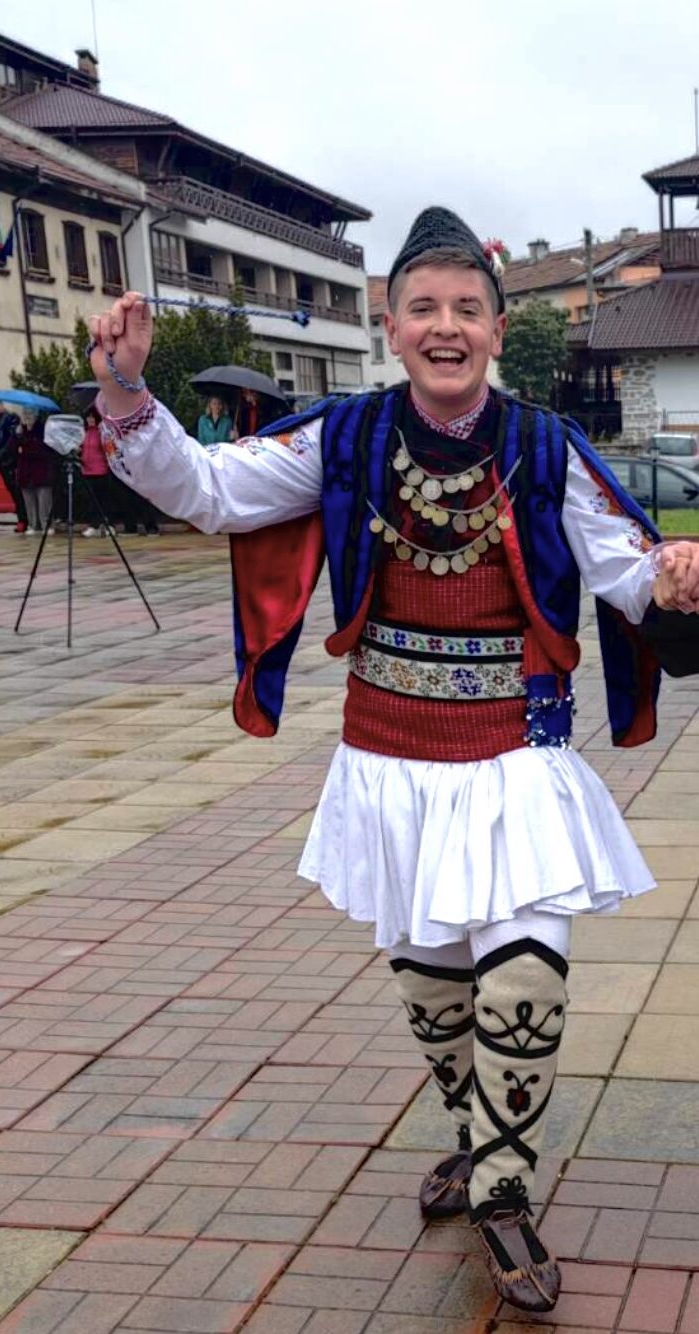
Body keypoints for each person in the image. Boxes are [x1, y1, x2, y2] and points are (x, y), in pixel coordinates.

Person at [87, 207, 699, 1316]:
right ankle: (474, 1132)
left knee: (525, 972)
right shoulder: (346, 437)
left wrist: (669, 577)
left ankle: (504, 1188)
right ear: (392, 326)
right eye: (424, 307)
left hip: (516, 757)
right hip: (389, 759)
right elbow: (212, 490)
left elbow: (625, 568)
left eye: (468, 307)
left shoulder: (544, 447)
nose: (446, 325)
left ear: (498, 328)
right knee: (434, 986)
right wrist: (127, 393)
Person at [0, 398, 26, 532]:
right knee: (12, 489)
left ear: (1, 404)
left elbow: (11, 440)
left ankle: (23, 519)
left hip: (10, 460)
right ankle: (22, 518)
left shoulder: (11, 418)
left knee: (16, 490)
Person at [16, 409, 54, 534]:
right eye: (25, 414)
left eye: (30, 414)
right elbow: (13, 448)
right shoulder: (20, 432)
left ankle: (47, 526)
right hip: (25, 472)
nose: (27, 417)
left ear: (36, 416)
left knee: (44, 501)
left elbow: (43, 450)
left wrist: (25, 449)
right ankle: (33, 525)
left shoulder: (42, 431)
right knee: (29, 501)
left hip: (41, 472)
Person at [79, 407, 111, 537]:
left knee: (101, 501)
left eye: (92, 417)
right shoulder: (84, 433)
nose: (90, 419)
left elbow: (109, 450)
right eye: (88, 417)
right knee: (90, 501)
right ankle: (94, 525)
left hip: (100, 471)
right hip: (87, 471)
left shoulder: (102, 432)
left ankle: (103, 524)